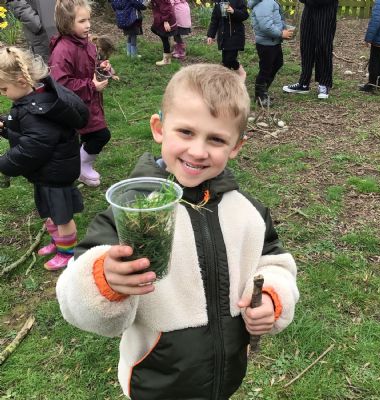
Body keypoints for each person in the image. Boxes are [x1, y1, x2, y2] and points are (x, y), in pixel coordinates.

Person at [56, 64, 299, 399]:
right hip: (155, 380)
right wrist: (104, 280)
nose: (198, 151)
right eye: (186, 132)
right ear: (159, 128)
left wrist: (271, 296)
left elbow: (272, 261)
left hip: (225, 376)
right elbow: (74, 297)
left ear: (236, 146)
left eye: (216, 139)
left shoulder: (248, 212)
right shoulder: (132, 211)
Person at [0, 47, 88, 270]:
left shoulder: (38, 111)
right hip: (47, 171)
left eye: (3, 89)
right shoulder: (32, 101)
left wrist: (5, 163)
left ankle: (68, 253)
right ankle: (57, 242)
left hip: (56, 174)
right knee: (51, 211)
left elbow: (33, 147)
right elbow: (25, 131)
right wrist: (6, 127)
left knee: (62, 217)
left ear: (21, 81)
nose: (2, 94)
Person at [49, 0, 112, 187]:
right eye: (82, 21)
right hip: (76, 104)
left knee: (87, 136)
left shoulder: (87, 44)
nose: (88, 25)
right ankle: (80, 166)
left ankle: (78, 166)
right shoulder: (63, 50)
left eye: (89, 20)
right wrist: (91, 86)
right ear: (67, 23)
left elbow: (90, 66)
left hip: (89, 101)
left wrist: (102, 67)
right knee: (101, 135)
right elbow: (61, 83)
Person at [282, 0, 338, 99]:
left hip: (326, 9)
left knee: (323, 46)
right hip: (308, 9)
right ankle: (303, 83)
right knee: (306, 45)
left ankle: (324, 84)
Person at [249, 0, 294, 106]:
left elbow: (275, 20)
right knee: (266, 69)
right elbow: (265, 26)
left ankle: (263, 91)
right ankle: (260, 97)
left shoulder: (269, 2)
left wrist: (284, 29)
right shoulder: (265, 3)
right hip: (266, 43)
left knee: (277, 63)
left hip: (273, 41)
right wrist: (281, 33)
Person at [207, 0, 248, 80]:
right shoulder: (218, 2)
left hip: (235, 35)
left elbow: (245, 15)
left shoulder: (238, 1)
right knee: (225, 61)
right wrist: (210, 35)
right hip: (223, 36)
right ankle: (226, 81)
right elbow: (214, 19)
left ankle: (241, 72)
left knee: (230, 59)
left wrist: (234, 11)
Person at [150, 0, 178, 66]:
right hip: (160, 19)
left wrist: (166, 21)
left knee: (164, 37)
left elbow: (166, 8)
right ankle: (171, 40)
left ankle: (167, 60)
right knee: (154, 29)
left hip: (166, 20)